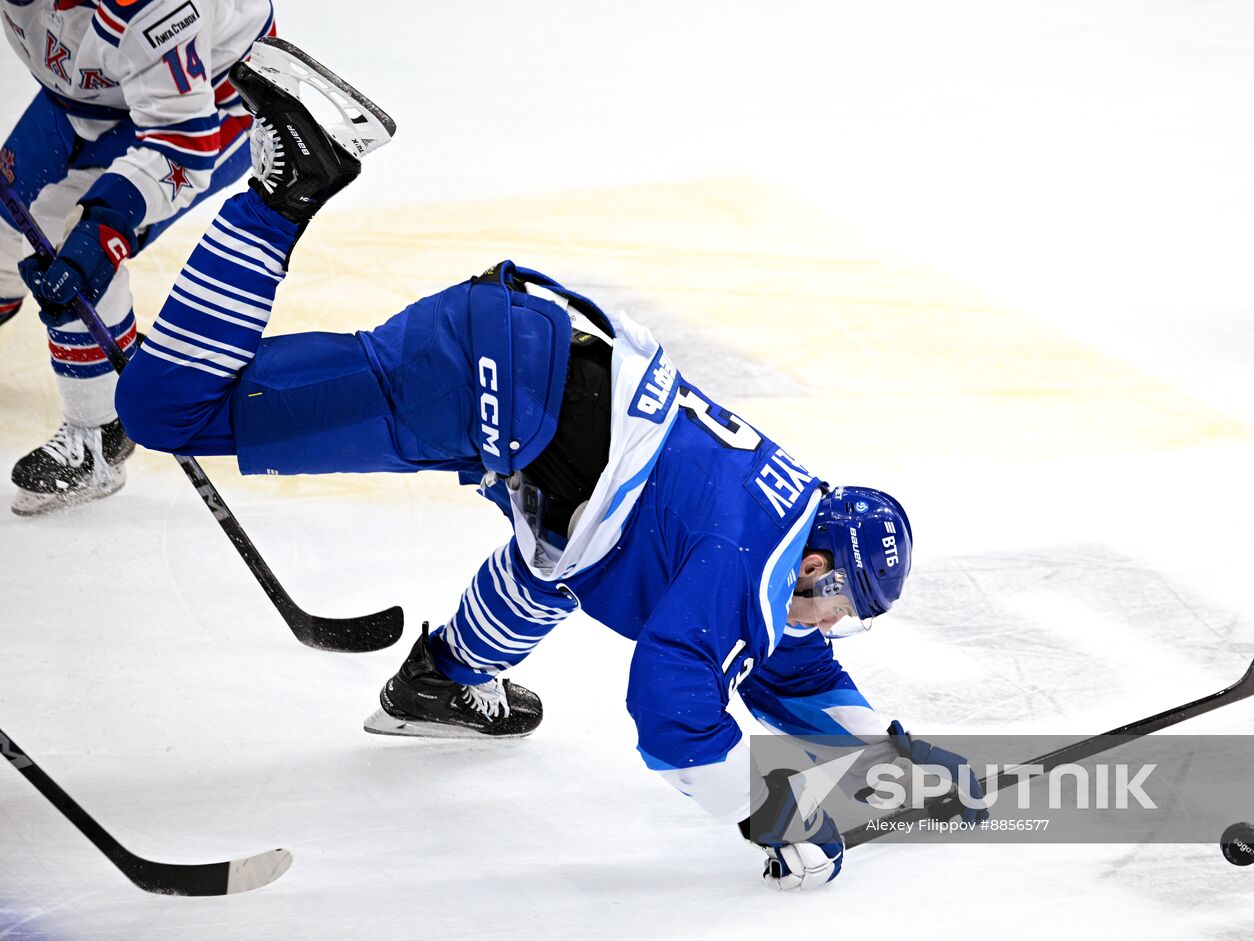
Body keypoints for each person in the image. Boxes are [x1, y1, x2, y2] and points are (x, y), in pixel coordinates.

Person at [114, 38, 986, 891]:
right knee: (167, 411)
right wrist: (772, 815)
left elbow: (784, 660)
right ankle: (289, 185)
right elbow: (671, 713)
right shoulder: (745, 563)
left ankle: (440, 682)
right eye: (844, 607)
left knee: (562, 561)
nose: (832, 624)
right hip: (487, 384)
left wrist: (892, 765)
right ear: (822, 565)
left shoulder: (776, 527)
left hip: (523, 374)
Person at [0, 0, 275, 515]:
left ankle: (100, 433)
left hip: (205, 110)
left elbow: (182, 144)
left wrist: (108, 224)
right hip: (84, 98)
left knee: (77, 251)